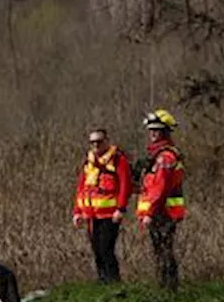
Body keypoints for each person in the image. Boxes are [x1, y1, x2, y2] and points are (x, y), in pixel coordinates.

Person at [136, 109, 187, 291]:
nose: (152, 134)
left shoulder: (165, 157)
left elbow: (160, 188)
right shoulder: (157, 155)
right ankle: (165, 287)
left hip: (163, 212)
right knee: (160, 250)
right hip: (161, 211)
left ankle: (168, 288)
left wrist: (150, 212)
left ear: (165, 132)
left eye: (156, 131)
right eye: (151, 131)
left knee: (164, 251)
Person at [73, 128, 132, 283]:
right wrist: (78, 212)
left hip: (110, 214)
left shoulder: (118, 160)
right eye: (92, 143)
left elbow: (125, 185)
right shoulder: (89, 162)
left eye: (99, 142)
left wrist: (121, 209)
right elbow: (82, 188)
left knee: (106, 249)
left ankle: (114, 282)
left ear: (107, 141)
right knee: (97, 250)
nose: (96, 145)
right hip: (91, 215)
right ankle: (102, 281)